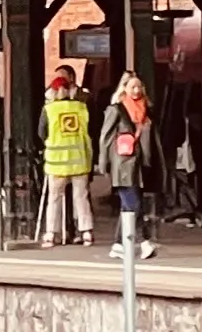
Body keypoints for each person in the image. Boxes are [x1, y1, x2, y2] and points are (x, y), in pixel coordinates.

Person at [37, 66, 95, 246]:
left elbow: (41, 132)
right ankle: (86, 231)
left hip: (57, 162)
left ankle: (51, 233)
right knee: (81, 197)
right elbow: (90, 129)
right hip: (79, 160)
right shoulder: (81, 107)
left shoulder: (49, 110)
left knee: (54, 198)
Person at [104, 70, 158, 260]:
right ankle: (144, 242)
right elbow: (106, 138)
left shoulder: (146, 111)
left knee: (128, 207)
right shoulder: (116, 110)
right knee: (134, 204)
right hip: (122, 165)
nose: (136, 90)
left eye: (139, 86)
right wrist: (104, 165)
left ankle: (118, 244)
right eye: (132, 87)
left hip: (138, 166)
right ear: (124, 89)